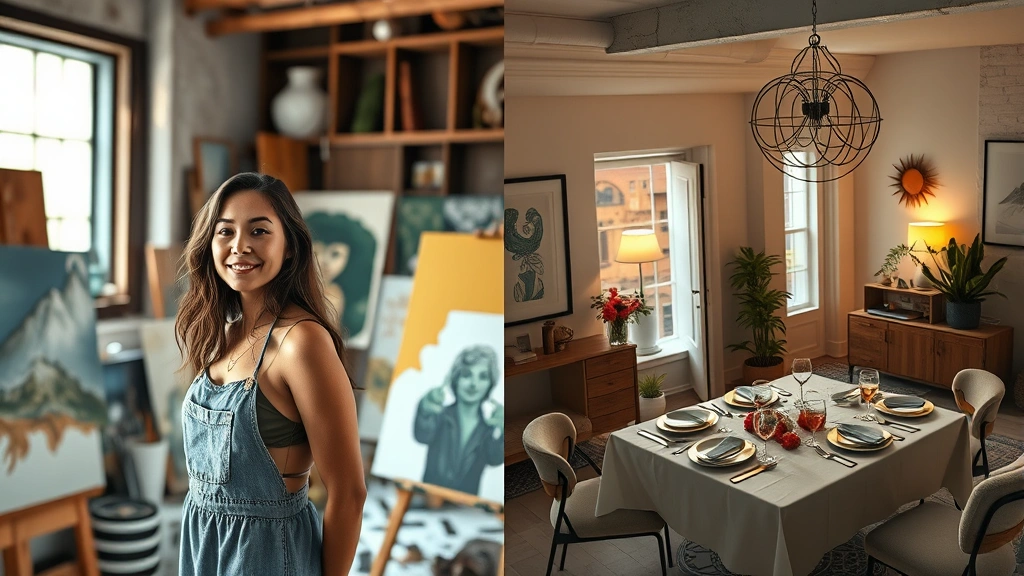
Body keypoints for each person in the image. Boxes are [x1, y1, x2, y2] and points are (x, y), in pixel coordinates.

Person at [174, 172, 366, 576]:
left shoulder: (302, 343)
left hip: (268, 557)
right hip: (205, 549)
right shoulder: (222, 334)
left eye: (259, 231)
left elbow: (349, 493)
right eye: (225, 231)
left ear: (290, 246)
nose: (239, 246)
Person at [413, 345, 504, 496]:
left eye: (483, 377)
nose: (474, 384)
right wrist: (425, 409)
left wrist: (502, 431)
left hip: (467, 504)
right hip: (428, 497)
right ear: (455, 378)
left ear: (491, 383)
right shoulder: (440, 415)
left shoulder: (488, 429)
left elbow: (495, 459)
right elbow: (422, 435)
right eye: (467, 375)